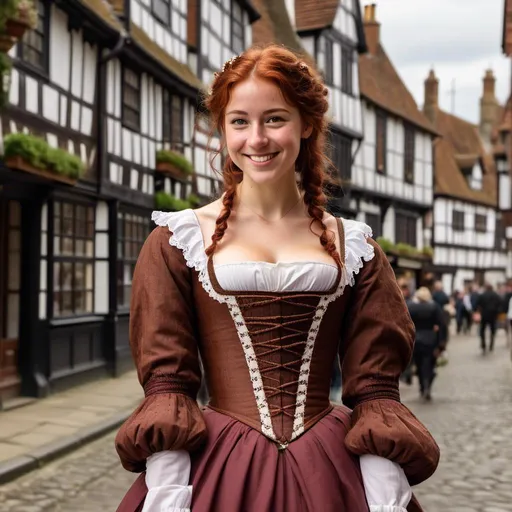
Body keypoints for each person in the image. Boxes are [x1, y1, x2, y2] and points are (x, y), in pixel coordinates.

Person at [114, 45, 439, 512]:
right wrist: (168, 495)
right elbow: (169, 387)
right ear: (223, 130)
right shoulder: (177, 241)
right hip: (219, 470)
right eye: (239, 121)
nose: (257, 139)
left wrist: (385, 495)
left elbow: (375, 390)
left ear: (306, 124)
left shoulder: (356, 248)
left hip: (330, 466)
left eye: (274, 119)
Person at [407, 287, 444, 401]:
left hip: (416, 339)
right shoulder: (434, 307)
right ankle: (427, 385)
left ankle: (422, 387)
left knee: (418, 364)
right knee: (429, 364)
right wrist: (441, 342)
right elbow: (441, 324)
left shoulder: (411, 306)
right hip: (430, 339)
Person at [475, 282, 502, 354]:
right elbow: (500, 304)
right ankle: (491, 344)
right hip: (493, 315)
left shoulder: (482, 295)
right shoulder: (496, 295)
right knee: (493, 330)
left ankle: (483, 344)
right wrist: (497, 311)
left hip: (484, 315)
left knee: (482, 330)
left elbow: (477, 304)